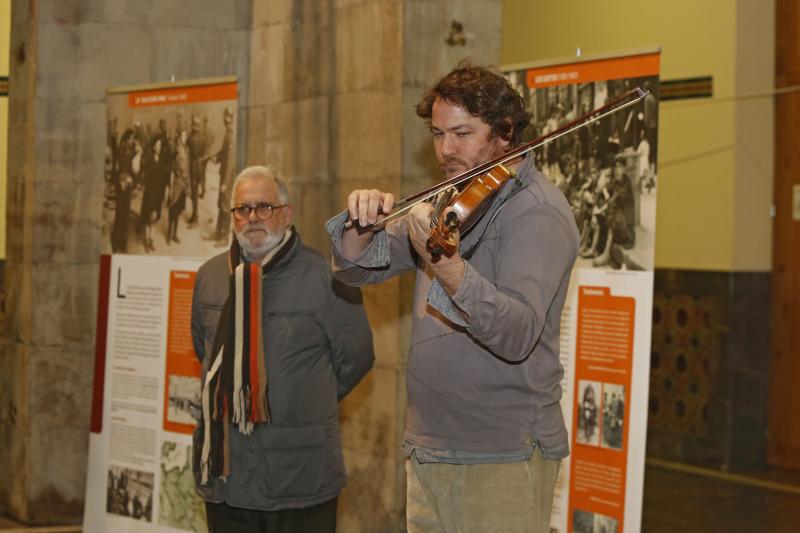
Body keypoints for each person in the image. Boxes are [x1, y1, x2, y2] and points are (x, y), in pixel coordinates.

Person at [326, 61, 579, 533]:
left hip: (500, 452)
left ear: (505, 132)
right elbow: (360, 267)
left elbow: (517, 331)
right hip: (429, 446)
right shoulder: (452, 200)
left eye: (461, 134)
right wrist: (363, 225)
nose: (445, 150)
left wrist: (446, 266)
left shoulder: (538, 214)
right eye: (438, 134)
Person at [191, 165, 374, 533]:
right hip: (227, 479)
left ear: (287, 214)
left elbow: (357, 358)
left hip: (300, 479)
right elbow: (204, 350)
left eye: (265, 208)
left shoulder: (327, 278)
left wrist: (304, 398)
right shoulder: (210, 276)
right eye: (242, 209)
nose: (252, 218)